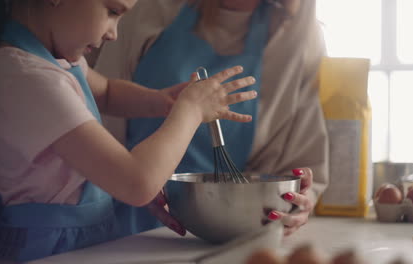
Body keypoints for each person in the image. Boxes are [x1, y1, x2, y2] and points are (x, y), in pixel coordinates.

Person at [0, 0, 257, 261]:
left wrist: (161, 101)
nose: (114, 33)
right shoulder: (28, 77)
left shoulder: (54, 62)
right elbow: (137, 182)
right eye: (112, 11)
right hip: (43, 250)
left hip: (80, 241)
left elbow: (107, 92)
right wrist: (190, 111)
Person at [93, 0, 329, 237]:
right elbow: (96, 118)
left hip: (226, 233)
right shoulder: (143, 9)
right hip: (118, 223)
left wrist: (296, 201)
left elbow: (301, 162)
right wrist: (135, 183)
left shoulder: (299, 38)